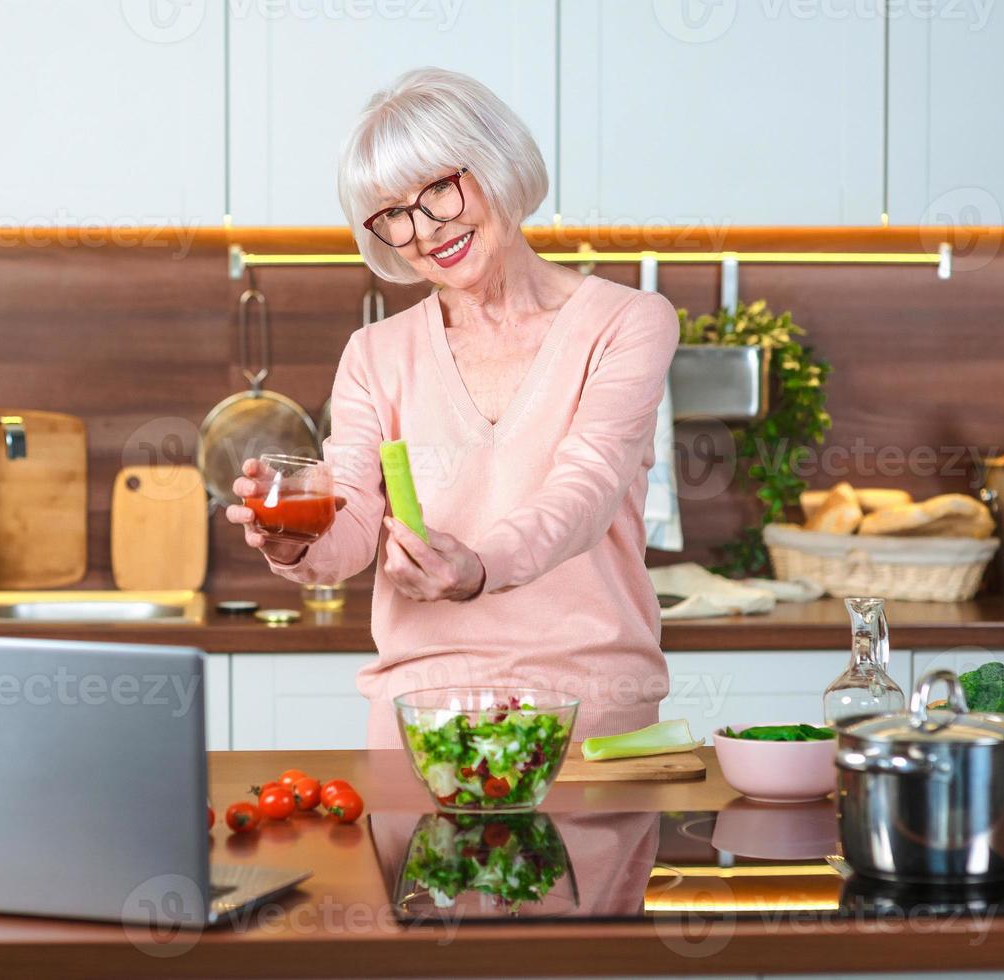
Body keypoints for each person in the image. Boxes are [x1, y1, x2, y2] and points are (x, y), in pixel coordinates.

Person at [224, 68, 678, 748]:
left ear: (495, 164)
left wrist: (480, 567)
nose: (426, 227)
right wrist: (295, 538)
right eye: (393, 214)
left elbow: (585, 486)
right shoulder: (374, 353)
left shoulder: (628, 322)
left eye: (439, 186)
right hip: (421, 719)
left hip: (589, 720)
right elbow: (350, 521)